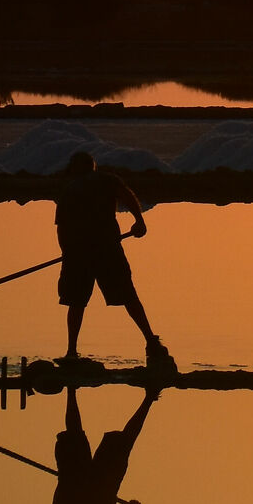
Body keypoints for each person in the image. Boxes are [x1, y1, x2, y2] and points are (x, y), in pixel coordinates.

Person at [56, 150, 170, 366]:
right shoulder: (105, 180)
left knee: (77, 302)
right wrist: (139, 220)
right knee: (128, 296)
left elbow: (62, 229)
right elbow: (127, 196)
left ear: (75, 169)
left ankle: (71, 351)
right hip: (105, 249)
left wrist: (66, 254)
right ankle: (151, 342)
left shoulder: (70, 190)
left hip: (83, 253)